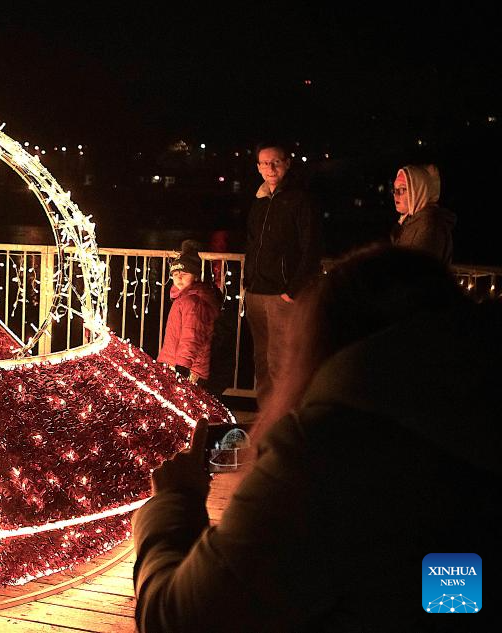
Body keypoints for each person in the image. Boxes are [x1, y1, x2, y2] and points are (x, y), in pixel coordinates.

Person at [133, 246, 499, 632]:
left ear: (322, 343)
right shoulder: (473, 425)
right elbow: (446, 595)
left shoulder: (321, 457)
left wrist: (174, 503)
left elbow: (176, 618)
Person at [244, 142, 321, 408]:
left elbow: (311, 247)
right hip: (255, 292)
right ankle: (267, 415)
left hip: (281, 294)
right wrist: (247, 282)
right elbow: (253, 243)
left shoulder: (299, 200)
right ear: (258, 167)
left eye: (275, 162)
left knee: (281, 361)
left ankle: (284, 416)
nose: (270, 168)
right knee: (261, 361)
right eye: (264, 163)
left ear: (287, 163)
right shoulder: (259, 201)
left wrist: (292, 290)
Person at [157, 241, 220, 388]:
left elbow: (192, 336)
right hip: (177, 364)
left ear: (195, 277)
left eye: (184, 274)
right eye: (175, 274)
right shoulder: (183, 299)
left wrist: (182, 367)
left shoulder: (193, 302)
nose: (179, 278)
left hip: (189, 370)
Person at [391, 164, 455, 264]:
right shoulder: (410, 222)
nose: (396, 195)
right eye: (394, 190)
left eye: (402, 189)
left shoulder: (429, 225)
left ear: (418, 191)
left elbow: (419, 270)